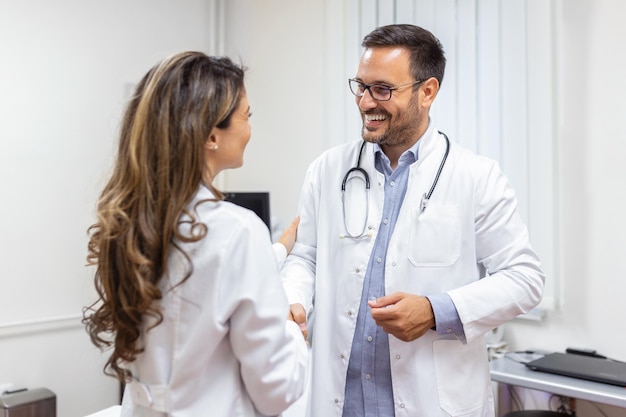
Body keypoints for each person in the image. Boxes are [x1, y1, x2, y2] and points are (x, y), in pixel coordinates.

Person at [281, 24, 545, 417]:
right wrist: (293, 300)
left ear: (427, 92)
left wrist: (436, 310)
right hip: (340, 401)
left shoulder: (476, 176)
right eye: (361, 86)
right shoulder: (328, 170)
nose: (366, 102)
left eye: (383, 89)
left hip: (429, 403)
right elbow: (305, 256)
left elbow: (525, 279)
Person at [83, 51, 308, 417]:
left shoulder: (133, 221)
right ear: (210, 135)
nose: (250, 128)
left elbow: (197, 283)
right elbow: (277, 390)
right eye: (246, 117)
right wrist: (289, 330)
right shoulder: (237, 229)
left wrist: (281, 249)